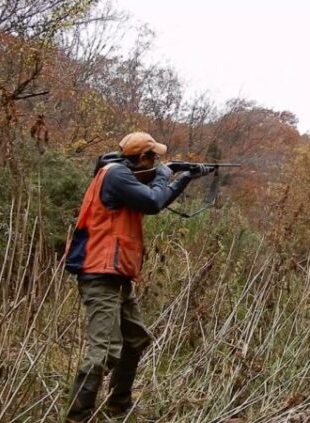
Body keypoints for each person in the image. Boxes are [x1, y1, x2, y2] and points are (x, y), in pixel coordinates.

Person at [63, 132, 212, 422]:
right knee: (104, 351)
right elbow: (153, 202)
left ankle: (118, 407)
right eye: (153, 157)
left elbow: (156, 199)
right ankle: (76, 417)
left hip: (115, 274)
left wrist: (183, 178)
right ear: (142, 158)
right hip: (100, 273)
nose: (156, 162)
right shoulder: (116, 174)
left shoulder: (123, 175)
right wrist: (167, 174)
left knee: (135, 339)